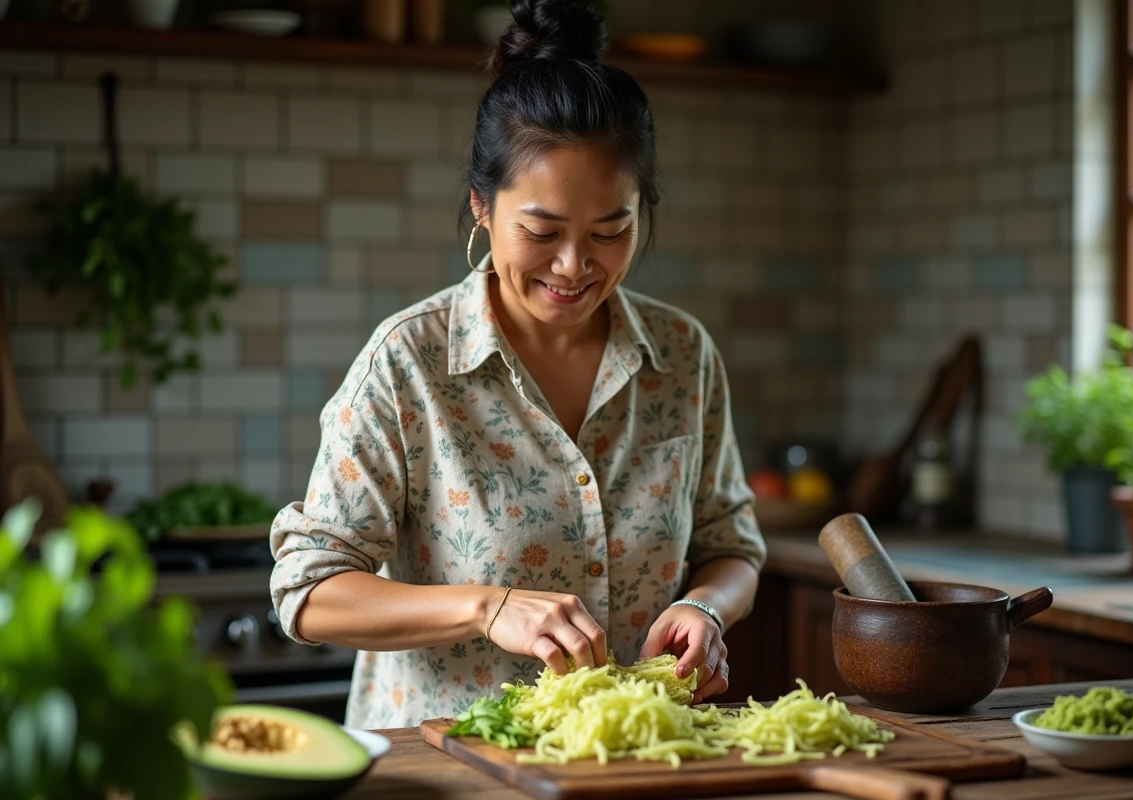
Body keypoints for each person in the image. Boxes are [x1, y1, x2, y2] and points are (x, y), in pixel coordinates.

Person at [269, 0, 767, 730]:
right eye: (541, 230)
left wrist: (706, 607)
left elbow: (733, 545)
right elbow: (307, 591)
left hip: (631, 758)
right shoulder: (409, 363)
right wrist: (486, 607)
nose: (573, 265)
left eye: (610, 232)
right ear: (482, 207)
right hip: (448, 764)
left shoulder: (682, 356)